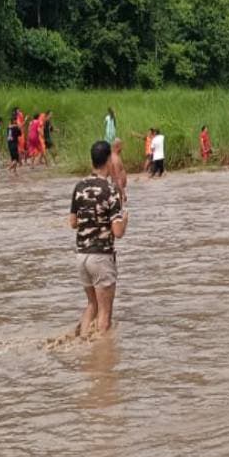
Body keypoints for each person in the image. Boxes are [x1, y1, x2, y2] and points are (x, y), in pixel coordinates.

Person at [70, 140, 129, 336]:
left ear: (92, 161)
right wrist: (124, 220)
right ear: (108, 161)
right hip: (101, 256)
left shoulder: (79, 187)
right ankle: (102, 352)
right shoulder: (110, 190)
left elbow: (73, 222)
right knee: (105, 314)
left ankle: (83, 342)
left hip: (81, 256)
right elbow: (118, 232)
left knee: (92, 305)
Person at [106, 139, 128, 203]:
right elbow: (117, 177)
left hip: (118, 187)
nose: (122, 148)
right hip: (117, 188)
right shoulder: (115, 159)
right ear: (118, 146)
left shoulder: (115, 157)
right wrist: (123, 193)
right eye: (121, 145)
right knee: (118, 205)